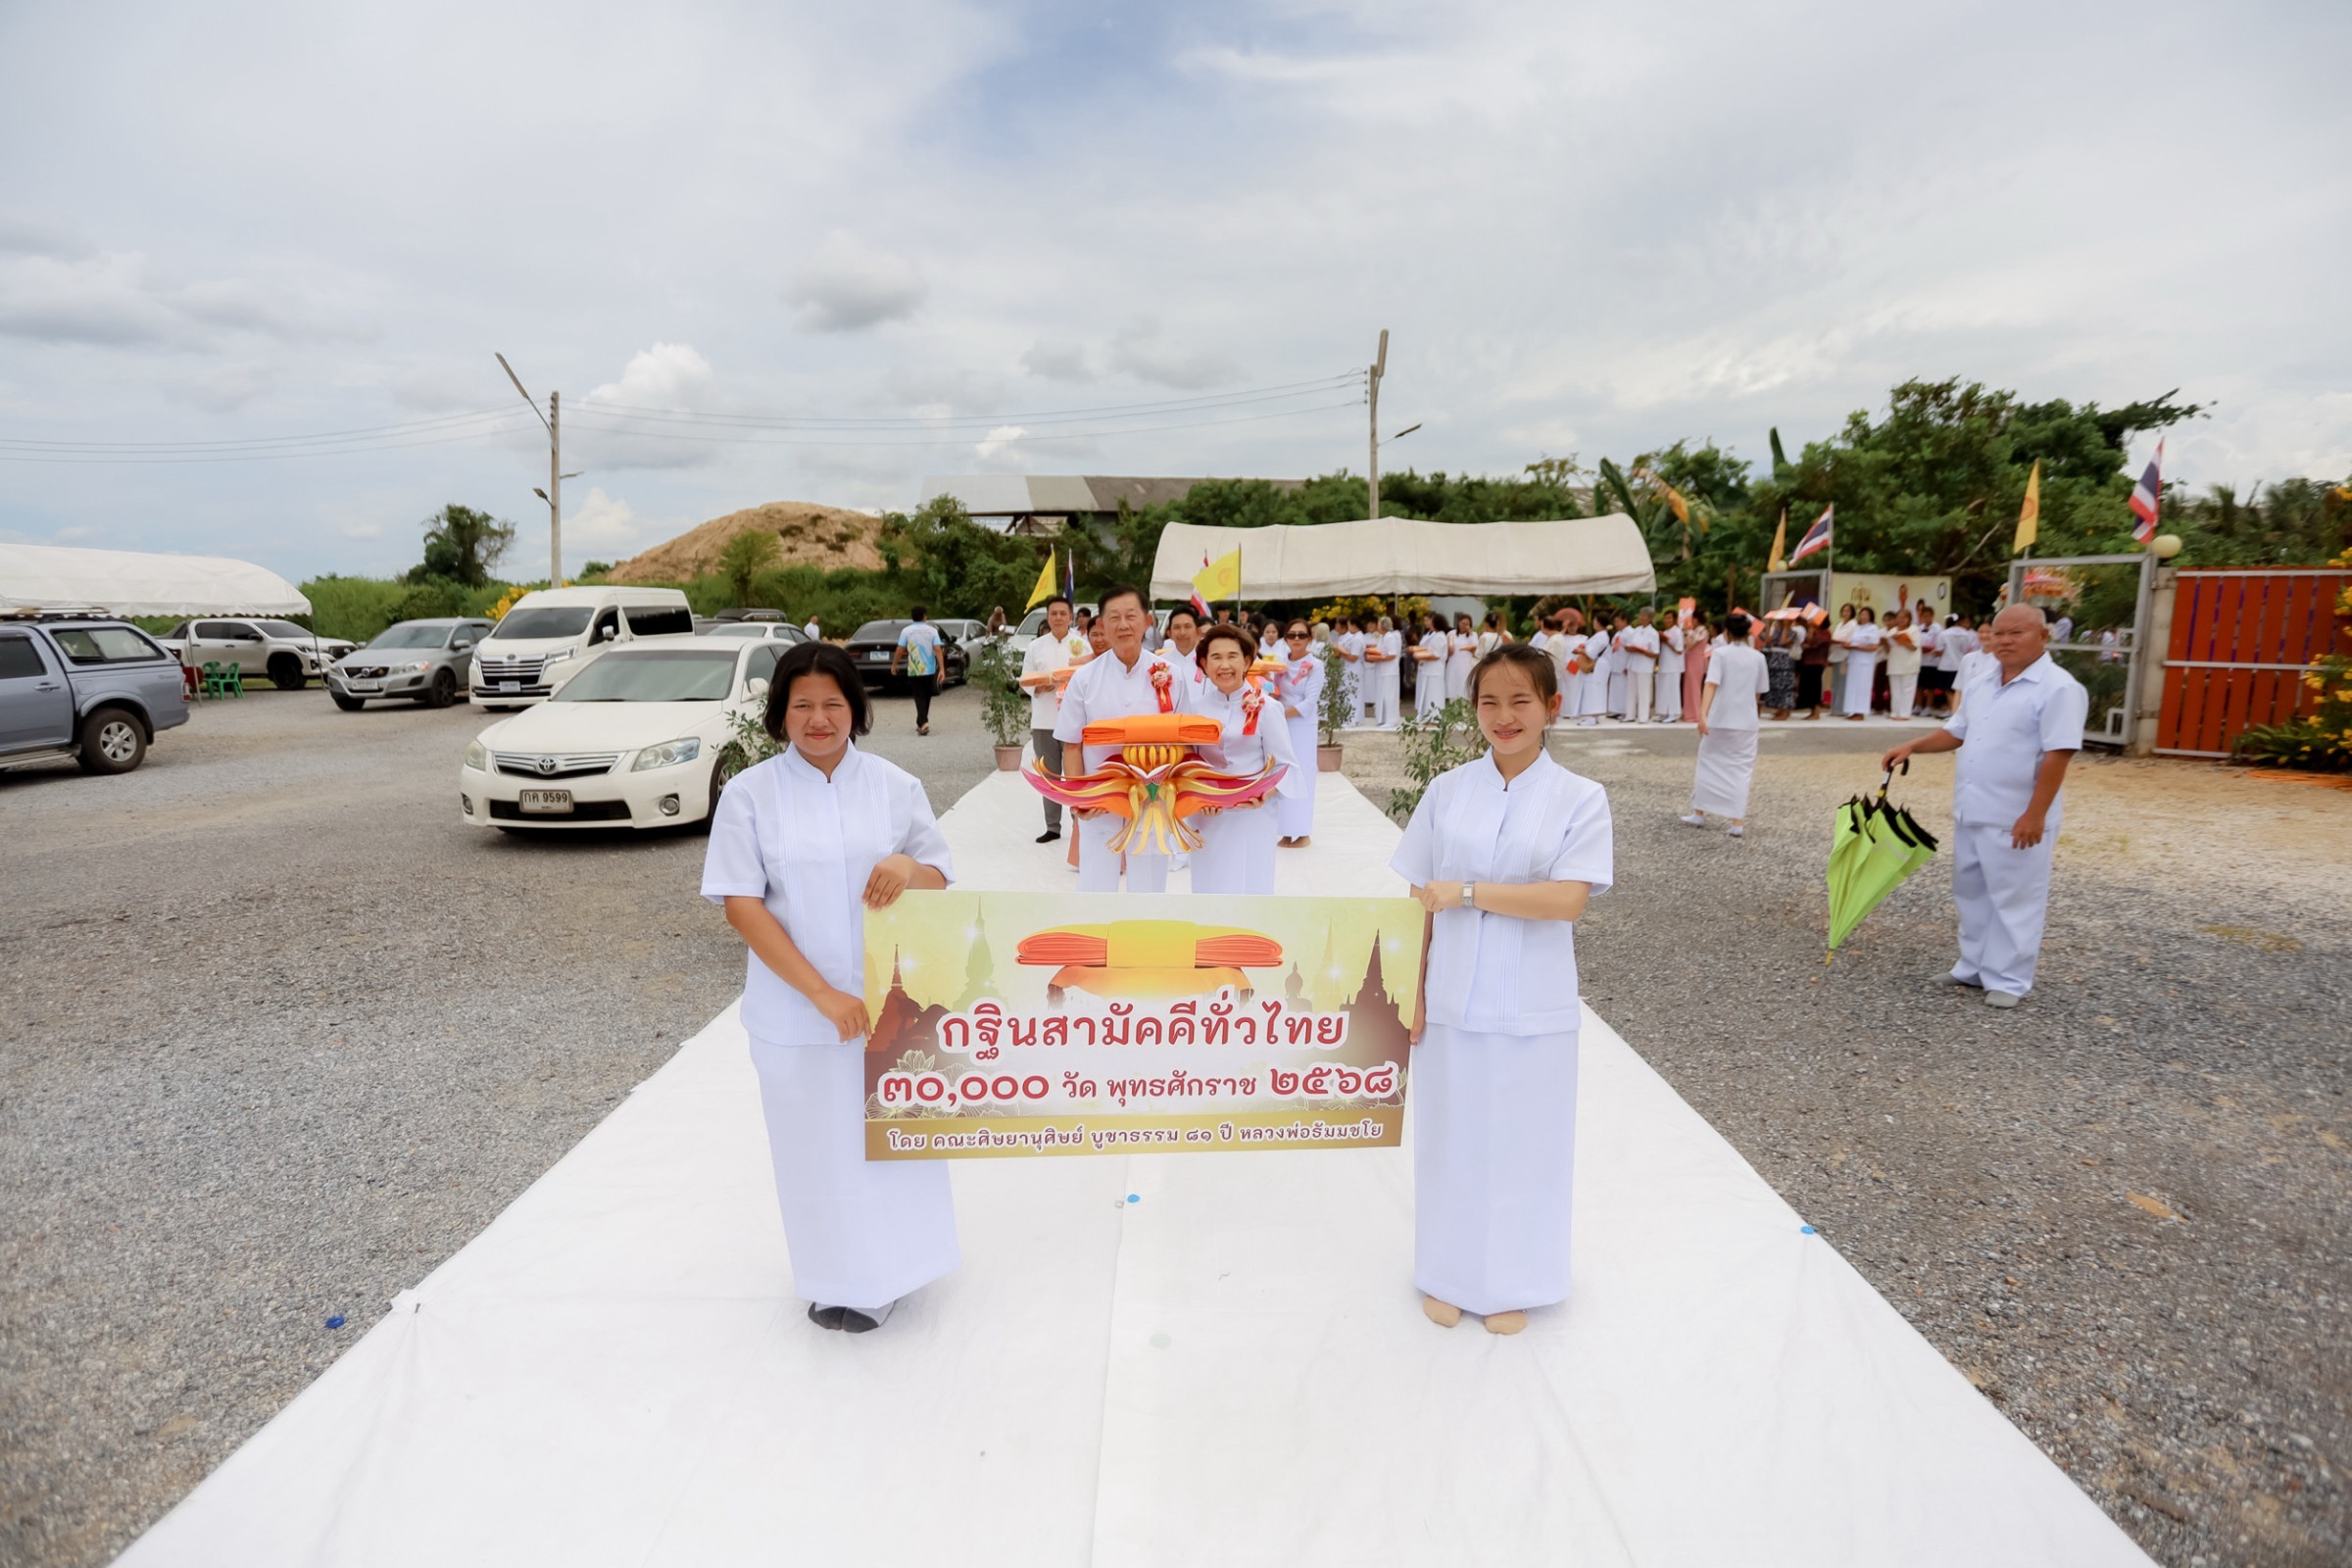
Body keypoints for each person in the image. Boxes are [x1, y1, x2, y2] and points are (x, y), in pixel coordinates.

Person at [703, 641, 956, 1335]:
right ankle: (834, 1277)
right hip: (797, 1007)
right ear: (781, 713)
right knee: (814, 1146)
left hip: (890, 1002)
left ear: (857, 709)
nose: (819, 719)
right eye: (803, 705)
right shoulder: (750, 794)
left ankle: (900, 1268)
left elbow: (940, 877)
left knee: (888, 1140)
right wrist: (820, 994)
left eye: (833, 704)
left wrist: (907, 864)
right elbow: (741, 903)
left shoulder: (894, 785)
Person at [1393, 642, 1612, 1336]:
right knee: (1451, 1139)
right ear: (1474, 709)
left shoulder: (1581, 798)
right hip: (1452, 995)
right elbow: (1416, 898)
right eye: (1490, 701)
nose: (1504, 716)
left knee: (1525, 1143)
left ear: (1552, 706)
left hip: (1533, 1002)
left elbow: (1565, 901)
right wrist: (1413, 990)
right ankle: (1449, 1276)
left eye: (1521, 700)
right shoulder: (1448, 792)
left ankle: (1515, 1280)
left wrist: (1466, 892)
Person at [1882, 607, 2086, 1008]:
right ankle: (1973, 965)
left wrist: (2035, 814)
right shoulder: (1982, 682)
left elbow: (2057, 755)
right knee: (1971, 892)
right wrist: (1913, 747)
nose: (2005, 641)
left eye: (2017, 633)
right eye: (1998, 633)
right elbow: (1956, 732)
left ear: (2043, 636)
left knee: (2015, 897)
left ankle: (2009, 979)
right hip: (1974, 807)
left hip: (2017, 815)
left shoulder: (2058, 688)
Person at [1054, 586, 1196, 892]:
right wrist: (1080, 800)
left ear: (1146, 621)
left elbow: (1185, 741)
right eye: (1114, 618)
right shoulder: (1085, 679)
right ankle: (1097, 936)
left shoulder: (1171, 674)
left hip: (1153, 800)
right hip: (1100, 798)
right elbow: (1071, 744)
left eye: (1131, 616)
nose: (1123, 625)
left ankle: (1145, 938)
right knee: (1096, 882)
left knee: (1148, 886)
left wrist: (1177, 795)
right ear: (1101, 626)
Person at [1187, 624, 1306, 894]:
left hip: (1252, 815)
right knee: (1209, 885)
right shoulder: (1195, 710)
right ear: (1204, 664)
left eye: (1233, 656)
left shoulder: (1268, 708)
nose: (1225, 665)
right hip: (1208, 817)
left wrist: (1265, 794)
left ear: (1247, 662)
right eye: (1216, 657)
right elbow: (1187, 763)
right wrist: (1198, 797)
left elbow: (1287, 766)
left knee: (1249, 885)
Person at [1683, 612, 1769, 837]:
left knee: (1708, 763)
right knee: (1741, 769)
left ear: (1727, 633)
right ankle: (1737, 822)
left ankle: (1699, 812)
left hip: (1720, 718)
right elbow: (1760, 691)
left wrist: (1702, 715)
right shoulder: (1758, 657)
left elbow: (1711, 684)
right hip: (1746, 720)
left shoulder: (1720, 653)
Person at [1017, 595, 1089, 844]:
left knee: (1077, 775)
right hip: (1044, 721)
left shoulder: (1083, 645)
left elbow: (1090, 679)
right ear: (1048, 617)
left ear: (1071, 617)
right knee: (1050, 774)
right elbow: (1024, 678)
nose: (1058, 617)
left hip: (1076, 722)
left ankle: (1079, 823)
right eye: (1054, 613)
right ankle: (1053, 826)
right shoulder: (1036, 646)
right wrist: (1039, 687)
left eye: (1063, 613)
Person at [1275, 619, 1323, 847]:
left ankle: (1303, 831)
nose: (1296, 639)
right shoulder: (1279, 665)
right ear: (1285, 638)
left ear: (1309, 639)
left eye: (1301, 635)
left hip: (1302, 726)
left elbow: (1309, 702)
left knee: (1303, 774)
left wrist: (1281, 714)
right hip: (1281, 726)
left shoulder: (1316, 665)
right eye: (1292, 635)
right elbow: (1272, 692)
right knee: (1283, 773)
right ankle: (1285, 830)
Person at [890, 606, 945, 735]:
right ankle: (922, 722)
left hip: (914, 669)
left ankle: (922, 722)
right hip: (930, 669)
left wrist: (894, 664)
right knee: (926, 695)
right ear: (924, 616)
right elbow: (937, 649)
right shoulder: (932, 631)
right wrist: (942, 668)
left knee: (919, 695)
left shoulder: (906, 631)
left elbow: (900, 649)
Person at [1618, 607, 1660, 724]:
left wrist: (1642, 651)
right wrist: (1630, 648)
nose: (1641, 618)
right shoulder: (1636, 630)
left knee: (1643, 691)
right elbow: (1628, 645)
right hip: (1633, 663)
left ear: (1650, 618)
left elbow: (1655, 653)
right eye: (1640, 615)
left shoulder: (1653, 633)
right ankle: (1630, 715)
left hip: (1645, 666)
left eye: (1643, 615)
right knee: (1631, 691)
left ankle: (1643, 717)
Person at [1839, 607, 1883, 720]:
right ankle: (1853, 711)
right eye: (1861, 614)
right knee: (1852, 686)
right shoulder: (1857, 628)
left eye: (1865, 614)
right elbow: (1852, 642)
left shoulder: (1873, 628)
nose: (1863, 616)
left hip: (1865, 662)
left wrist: (1857, 647)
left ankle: (1861, 712)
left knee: (1862, 687)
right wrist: (1848, 645)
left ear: (1870, 616)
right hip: (1854, 661)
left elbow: (1874, 646)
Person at [1884, 605, 1923, 720]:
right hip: (1894, 663)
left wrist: (1902, 640)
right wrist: (1885, 642)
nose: (1901, 620)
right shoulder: (1892, 631)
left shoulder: (1913, 630)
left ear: (1909, 619)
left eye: (1904, 617)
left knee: (1907, 689)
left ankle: (1905, 714)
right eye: (1899, 617)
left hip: (1909, 664)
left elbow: (1914, 647)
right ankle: (1895, 712)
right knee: (1895, 689)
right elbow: (1887, 650)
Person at [1759, 614, 1799, 718]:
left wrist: (1786, 627)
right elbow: (1767, 640)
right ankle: (1779, 709)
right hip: (1774, 660)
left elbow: (1783, 641)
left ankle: (1785, 710)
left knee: (1784, 686)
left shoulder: (1793, 633)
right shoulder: (1776, 631)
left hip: (1784, 661)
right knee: (1775, 685)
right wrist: (1768, 625)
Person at [1575, 615, 1612, 726]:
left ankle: (1592, 717)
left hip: (1597, 667)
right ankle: (1594, 716)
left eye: (1595, 621)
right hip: (1600, 666)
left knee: (1593, 690)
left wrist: (1580, 650)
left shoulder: (1601, 636)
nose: (1593, 623)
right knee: (1596, 690)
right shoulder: (1601, 635)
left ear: (1599, 623)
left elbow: (1592, 653)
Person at [1368, 614, 1402, 729]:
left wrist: (1378, 658)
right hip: (1382, 671)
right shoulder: (1383, 637)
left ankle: (1391, 720)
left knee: (1390, 695)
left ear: (1383, 626)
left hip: (1389, 671)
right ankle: (1383, 718)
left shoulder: (1389, 637)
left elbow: (1392, 654)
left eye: (1378, 624)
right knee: (1382, 695)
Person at [1336, 616, 1369, 727]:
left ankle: (1352, 718)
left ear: (1354, 626)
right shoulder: (1354, 637)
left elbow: (1353, 657)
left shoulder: (1357, 639)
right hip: (1348, 668)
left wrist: (1341, 652)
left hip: (1354, 669)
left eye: (1349, 625)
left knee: (1353, 693)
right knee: (1348, 693)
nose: (1348, 627)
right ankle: (1349, 717)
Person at [1161, 605, 1204, 687]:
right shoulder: (1161, 664)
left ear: (1198, 632)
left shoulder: (1207, 662)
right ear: (1169, 634)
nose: (1182, 633)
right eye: (1177, 627)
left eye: (1187, 626)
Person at [1413, 613, 1447, 717]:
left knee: (1434, 695)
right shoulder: (1435, 635)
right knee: (1428, 695)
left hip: (1435, 670)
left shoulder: (1440, 637)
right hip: (1430, 669)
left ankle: (1435, 718)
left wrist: (1420, 656)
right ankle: (1427, 717)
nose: (1429, 623)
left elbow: (1436, 655)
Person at [1656, 612, 1687, 722]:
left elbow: (1679, 650)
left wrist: (1666, 640)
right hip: (1664, 664)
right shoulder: (1666, 631)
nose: (1667, 620)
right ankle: (1664, 712)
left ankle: (1674, 713)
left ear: (1674, 619)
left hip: (1674, 666)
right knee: (1664, 689)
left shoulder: (1677, 632)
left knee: (1673, 690)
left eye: (1669, 618)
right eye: (1665, 618)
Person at [1445, 613, 1478, 702]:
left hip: (1466, 665)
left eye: (1467, 624)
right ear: (1459, 623)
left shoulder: (1473, 635)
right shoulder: (1451, 633)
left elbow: (1476, 647)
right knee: (1453, 688)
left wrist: (1470, 633)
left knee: (1465, 689)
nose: (1464, 626)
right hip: (1453, 664)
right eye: (1462, 623)